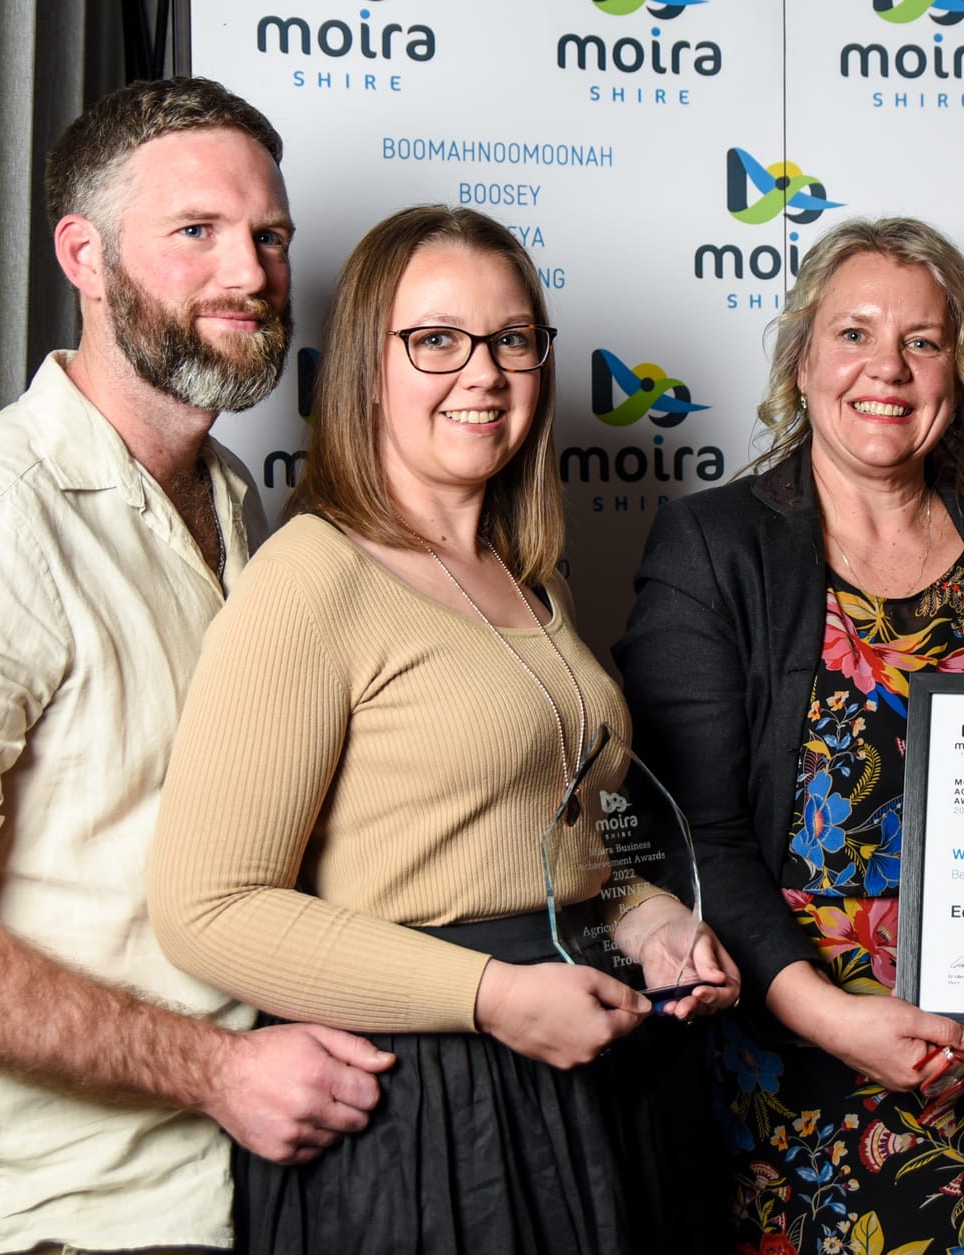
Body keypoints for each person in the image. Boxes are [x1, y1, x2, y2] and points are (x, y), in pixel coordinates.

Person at [0, 77, 396, 1254]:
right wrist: (215, 1069)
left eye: (270, 236)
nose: (250, 272)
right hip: (58, 1222)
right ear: (83, 257)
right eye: (196, 231)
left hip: (262, 1192)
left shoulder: (234, 497)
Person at [146, 204, 739, 1254]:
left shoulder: (527, 578)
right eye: (435, 340)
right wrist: (490, 995)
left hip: (578, 1071)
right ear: (365, 370)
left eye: (511, 339)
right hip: (420, 1105)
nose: (484, 373)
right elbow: (208, 908)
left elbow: (541, 842)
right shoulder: (314, 575)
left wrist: (651, 922)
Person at [616, 217, 964, 1254]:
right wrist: (824, 1014)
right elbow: (692, 829)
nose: (888, 367)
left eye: (923, 341)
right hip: (801, 1074)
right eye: (854, 334)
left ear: (959, 373)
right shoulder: (713, 546)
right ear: (802, 362)